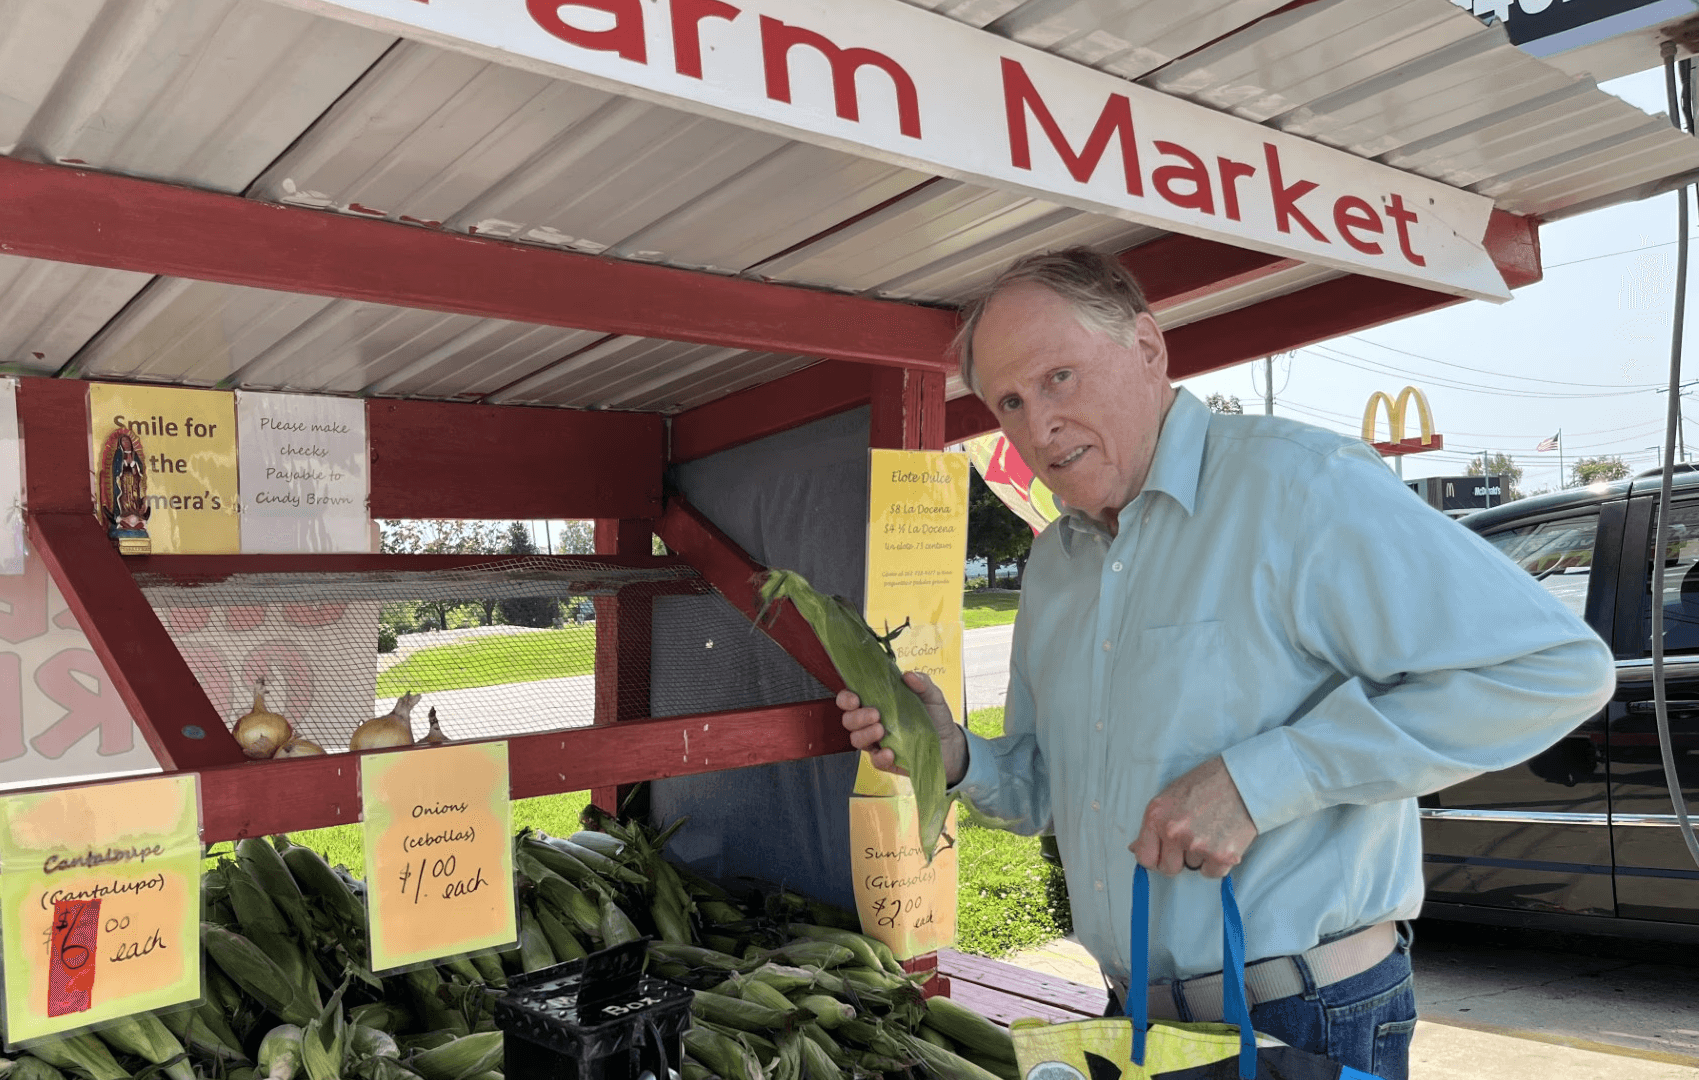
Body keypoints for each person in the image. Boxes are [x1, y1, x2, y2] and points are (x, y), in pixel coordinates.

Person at [839, 248, 1615, 1080]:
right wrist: (952, 753)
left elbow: (1554, 668)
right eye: (1010, 401)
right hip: (1130, 1018)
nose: (1037, 425)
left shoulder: (1299, 487)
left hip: (1304, 1015)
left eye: (1058, 377)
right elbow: (1042, 790)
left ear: (1146, 346)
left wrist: (1262, 780)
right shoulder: (1056, 562)